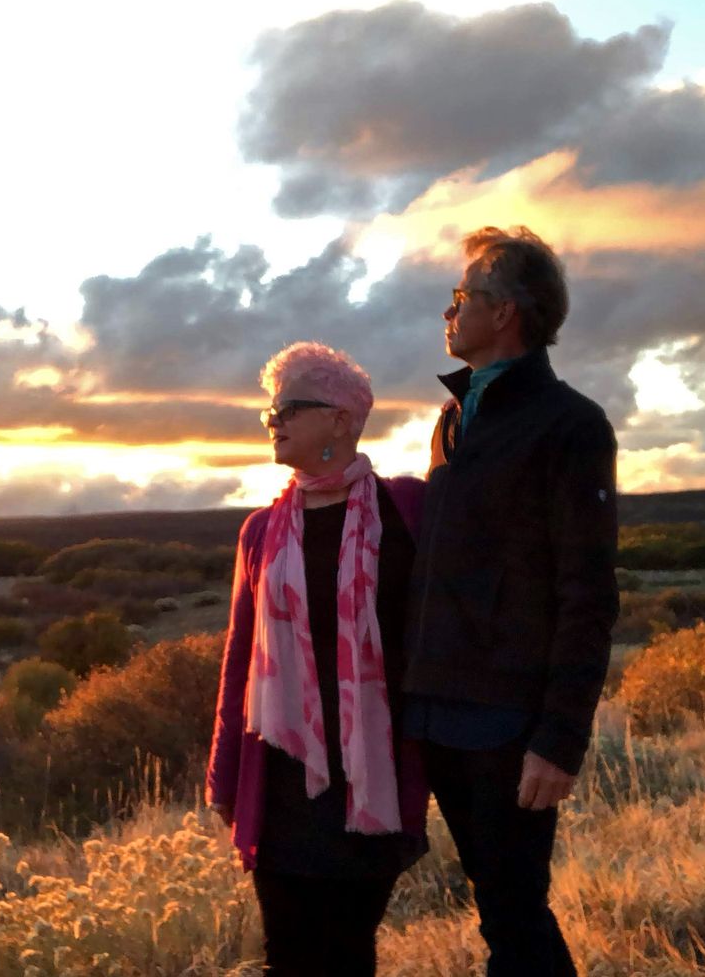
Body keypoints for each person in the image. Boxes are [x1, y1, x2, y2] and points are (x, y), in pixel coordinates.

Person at [402, 226, 619, 976]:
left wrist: (560, 737)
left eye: (462, 297)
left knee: (515, 913)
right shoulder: (455, 420)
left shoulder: (570, 424)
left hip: (506, 720)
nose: (449, 313)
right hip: (436, 710)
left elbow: (588, 591)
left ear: (506, 312)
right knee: (496, 907)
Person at [206, 341, 429, 977]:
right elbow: (239, 663)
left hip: (374, 775)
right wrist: (224, 775)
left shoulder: (408, 510)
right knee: (288, 956)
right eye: (269, 412)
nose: (273, 421)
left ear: (342, 419)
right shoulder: (261, 532)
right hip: (281, 780)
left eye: (289, 408)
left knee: (348, 951)